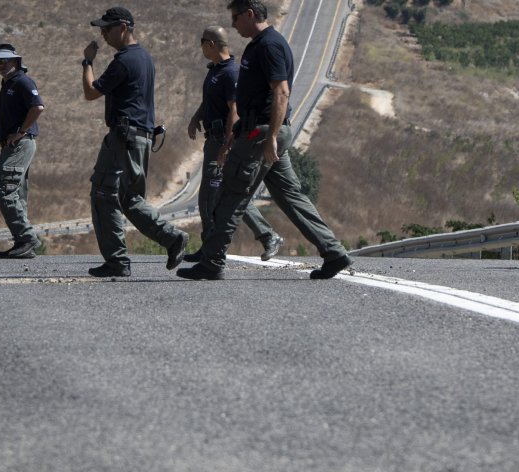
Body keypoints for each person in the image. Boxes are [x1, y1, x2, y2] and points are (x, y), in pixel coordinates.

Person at [177, 0, 351, 280]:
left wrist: (269, 137)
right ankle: (334, 252)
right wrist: (236, 135)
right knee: (290, 196)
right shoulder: (259, 45)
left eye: (235, 18)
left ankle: (212, 262)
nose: (233, 24)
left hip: (262, 134)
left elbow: (281, 92)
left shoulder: (269, 45)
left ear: (249, 14)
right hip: (259, 132)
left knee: (230, 195)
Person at [82, 7, 188, 277]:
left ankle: (164, 241)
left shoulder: (125, 60)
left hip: (124, 137)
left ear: (123, 28)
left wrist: (87, 62)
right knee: (126, 198)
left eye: (107, 28)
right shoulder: (143, 58)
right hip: (136, 137)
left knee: (107, 195)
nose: (103, 34)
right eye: (101, 29)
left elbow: (91, 92)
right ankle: (125, 258)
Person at [184, 25, 283, 263]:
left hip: (222, 139)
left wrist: (226, 145)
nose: (200, 47)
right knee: (226, 195)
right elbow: (211, 101)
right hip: (213, 137)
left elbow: (234, 110)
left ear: (211, 44)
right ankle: (265, 236)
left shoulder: (230, 73)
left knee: (211, 196)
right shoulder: (216, 71)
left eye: (202, 42)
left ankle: (216, 247)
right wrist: (197, 117)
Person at [0, 44, 45, 259]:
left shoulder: (22, 81)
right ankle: (23, 243)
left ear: (17, 62)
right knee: (16, 193)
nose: (2, 64)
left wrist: (20, 132)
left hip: (21, 143)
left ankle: (26, 237)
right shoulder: (8, 84)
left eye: (7, 60)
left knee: (4, 190)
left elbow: (38, 106)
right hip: (14, 144)